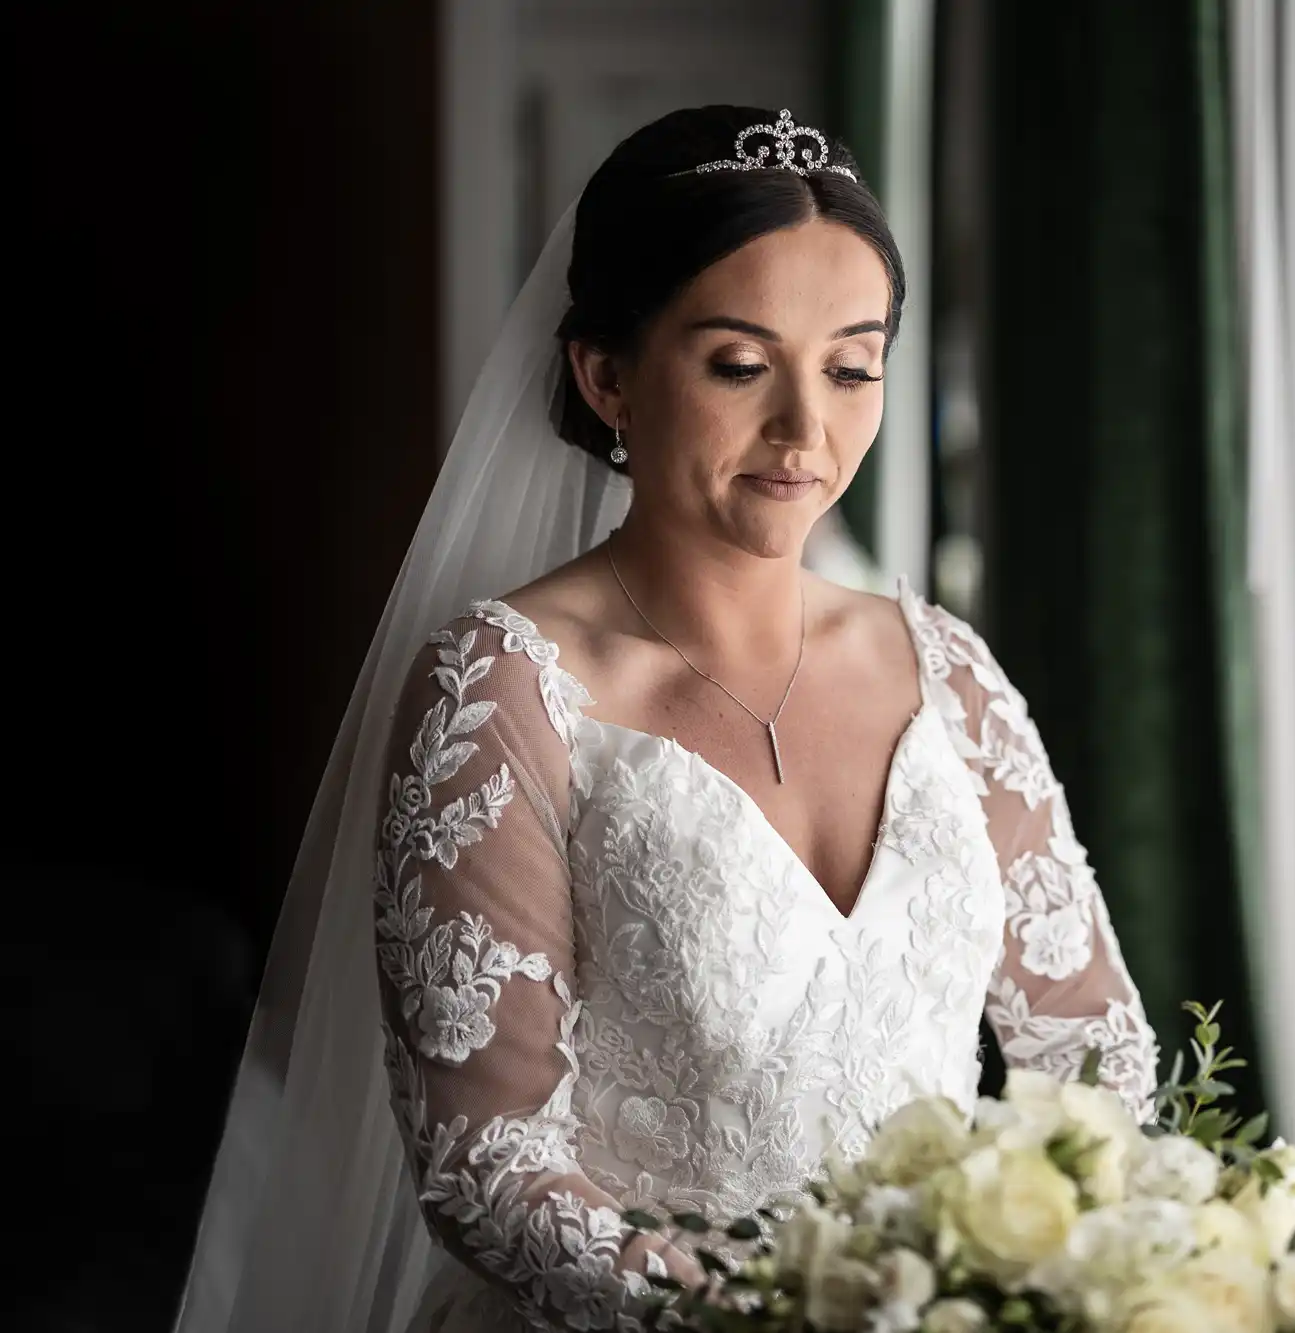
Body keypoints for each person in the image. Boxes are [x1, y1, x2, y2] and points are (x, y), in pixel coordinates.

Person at [178, 105, 1157, 1333]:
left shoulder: (946, 671)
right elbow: (488, 1167)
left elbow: (1097, 1055)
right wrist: (789, 1318)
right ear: (608, 377)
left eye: (851, 367)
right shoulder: (506, 690)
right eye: (740, 365)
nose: (807, 429)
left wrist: (1041, 1279)